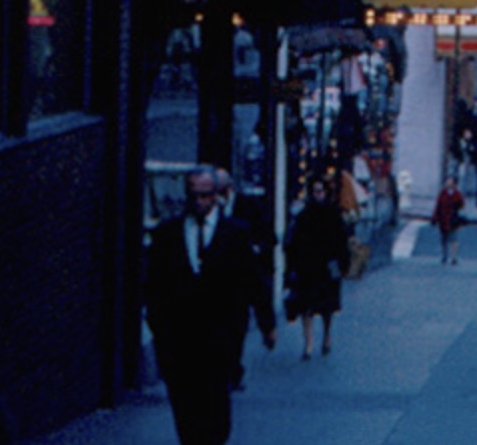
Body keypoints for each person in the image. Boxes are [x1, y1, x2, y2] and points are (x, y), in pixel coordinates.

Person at [145, 166, 275, 445]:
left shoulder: (236, 234)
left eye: (205, 196)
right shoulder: (168, 234)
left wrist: (267, 324)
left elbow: (254, 280)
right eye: (193, 196)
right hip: (180, 342)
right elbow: (153, 284)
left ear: (216, 195)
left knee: (216, 410)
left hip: (220, 339)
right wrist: (159, 328)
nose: (199, 202)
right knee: (185, 410)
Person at [213, 168, 275, 391]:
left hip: (240, 282)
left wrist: (256, 248)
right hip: (215, 282)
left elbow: (268, 236)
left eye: (220, 191)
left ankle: (233, 371)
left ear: (229, 188)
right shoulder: (206, 211)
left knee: (236, 329)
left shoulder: (249, 207)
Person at [286, 174, 351, 359]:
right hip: (308, 266)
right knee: (305, 306)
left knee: (326, 307)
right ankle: (308, 342)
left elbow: (341, 240)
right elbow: (295, 242)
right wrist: (293, 265)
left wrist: (342, 262)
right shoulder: (304, 215)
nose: (318, 195)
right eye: (315, 191)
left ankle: (326, 335)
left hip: (327, 266)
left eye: (320, 191)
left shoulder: (333, 214)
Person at [431, 175, 467, 265]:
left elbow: (462, 205)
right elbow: (438, 205)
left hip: (452, 219)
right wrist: (435, 218)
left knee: (454, 238)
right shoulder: (442, 193)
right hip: (443, 219)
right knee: (444, 238)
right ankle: (445, 255)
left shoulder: (457, 194)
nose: (448, 184)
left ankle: (454, 257)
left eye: (450, 182)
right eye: (447, 182)